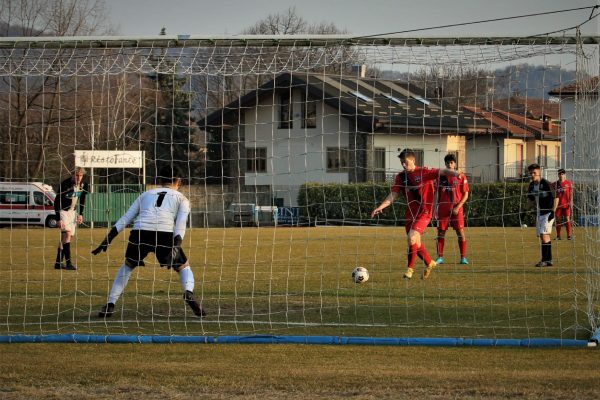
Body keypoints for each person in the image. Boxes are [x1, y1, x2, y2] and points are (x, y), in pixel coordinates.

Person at [92, 165, 205, 318]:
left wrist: (108, 239)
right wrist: (176, 245)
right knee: (184, 267)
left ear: (159, 180)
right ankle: (188, 292)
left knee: (128, 266)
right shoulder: (182, 198)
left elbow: (126, 218)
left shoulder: (145, 194)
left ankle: (110, 304)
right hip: (164, 234)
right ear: (179, 181)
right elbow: (180, 224)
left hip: (140, 232)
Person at [371, 149, 461, 280]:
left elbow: (443, 171)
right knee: (415, 243)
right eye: (402, 162)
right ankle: (430, 263)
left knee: (412, 237)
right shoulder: (401, 177)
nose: (403, 165)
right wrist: (380, 206)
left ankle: (409, 270)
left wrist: (456, 173)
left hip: (424, 212)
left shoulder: (424, 171)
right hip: (410, 214)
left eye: (405, 162)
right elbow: (394, 194)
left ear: (413, 160)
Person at [435, 153, 469, 265]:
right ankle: (440, 257)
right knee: (441, 232)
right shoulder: (440, 177)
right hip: (443, 209)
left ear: (455, 164)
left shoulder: (461, 176)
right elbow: (436, 194)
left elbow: (466, 195)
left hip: (457, 209)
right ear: (445, 164)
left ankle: (463, 257)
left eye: (451, 162)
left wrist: (458, 207)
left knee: (460, 232)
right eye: (447, 163)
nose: (449, 164)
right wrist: (435, 207)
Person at [54, 167, 88, 270]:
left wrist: (80, 214)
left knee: (66, 238)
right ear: (73, 175)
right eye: (76, 175)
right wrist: (58, 218)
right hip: (63, 211)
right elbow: (56, 201)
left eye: (80, 175)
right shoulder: (65, 184)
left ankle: (58, 262)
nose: (78, 177)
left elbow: (82, 199)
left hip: (72, 213)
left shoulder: (84, 185)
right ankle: (69, 263)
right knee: (67, 234)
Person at [526, 163, 559, 267]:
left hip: (548, 212)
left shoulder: (546, 183)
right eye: (530, 173)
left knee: (544, 235)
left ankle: (545, 260)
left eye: (534, 173)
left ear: (539, 172)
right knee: (543, 236)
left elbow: (556, 197)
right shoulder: (531, 185)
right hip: (540, 213)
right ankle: (549, 260)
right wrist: (524, 211)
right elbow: (530, 200)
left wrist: (553, 211)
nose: (532, 175)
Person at [554, 168, 573, 240]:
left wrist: (571, 201)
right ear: (558, 175)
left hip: (566, 205)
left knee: (567, 219)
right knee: (558, 220)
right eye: (560, 174)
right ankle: (558, 236)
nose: (561, 175)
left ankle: (569, 235)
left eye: (562, 174)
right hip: (558, 205)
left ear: (565, 175)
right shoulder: (555, 184)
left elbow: (571, 193)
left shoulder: (568, 183)